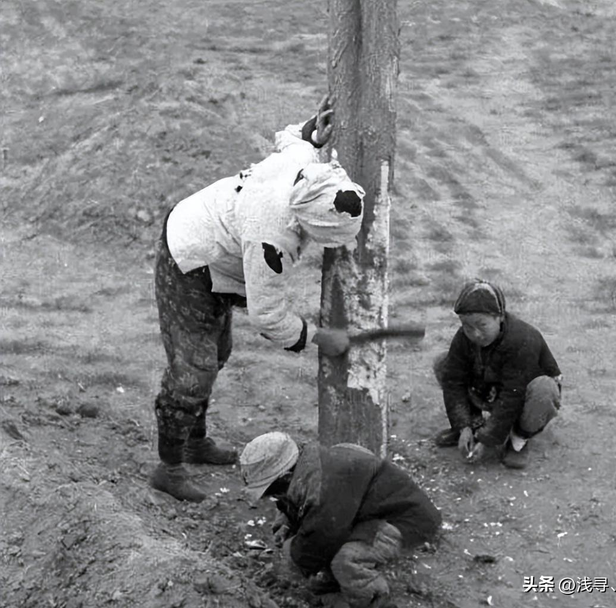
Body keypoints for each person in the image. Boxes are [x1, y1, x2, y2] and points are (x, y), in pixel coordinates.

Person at [151, 96, 366, 502]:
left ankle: (195, 442)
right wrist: (319, 338)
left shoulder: (310, 169)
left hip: (219, 249)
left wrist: (312, 130)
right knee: (193, 368)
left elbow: (291, 140)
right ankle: (169, 467)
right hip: (191, 256)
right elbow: (268, 317)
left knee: (217, 352)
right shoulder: (272, 237)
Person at [239, 432, 442, 608]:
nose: (269, 497)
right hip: (364, 512)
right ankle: (335, 582)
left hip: (406, 519)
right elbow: (295, 504)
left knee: (345, 560)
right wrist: (286, 523)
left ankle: (375, 601)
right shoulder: (307, 465)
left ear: (284, 476)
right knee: (323, 539)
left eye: (269, 490)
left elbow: (318, 542)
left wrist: (288, 557)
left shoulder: (325, 486)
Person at [433, 279, 563, 469]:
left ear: (499, 317)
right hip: (493, 389)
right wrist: (463, 426)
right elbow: (454, 382)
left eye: (482, 325)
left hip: (524, 397)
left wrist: (488, 440)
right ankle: (474, 426)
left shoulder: (523, 340)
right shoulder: (463, 339)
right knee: (444, 365)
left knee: (544, 389)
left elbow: (513, 395)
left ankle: (518, 439)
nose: (475, 333)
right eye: (467, 326)